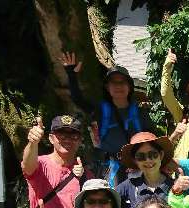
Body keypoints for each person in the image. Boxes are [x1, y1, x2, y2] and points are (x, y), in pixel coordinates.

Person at [62, 52, 151, 186]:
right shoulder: (100, 110)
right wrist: (71, 74)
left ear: (130, 86)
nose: (118, 86)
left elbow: (152, 139)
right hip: (110, 167)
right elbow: (77, 99)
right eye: (113, 83)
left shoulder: (141, 113)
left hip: (138, 165)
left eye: (122, 82)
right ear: (107, 88)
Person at [115, 132, 176, 208]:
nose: (148, 160)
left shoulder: (175, 187)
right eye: (141, 156)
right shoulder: (128, 186)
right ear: (135, 160)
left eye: (153, 154)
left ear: (160, 155)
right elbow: (108, 202)